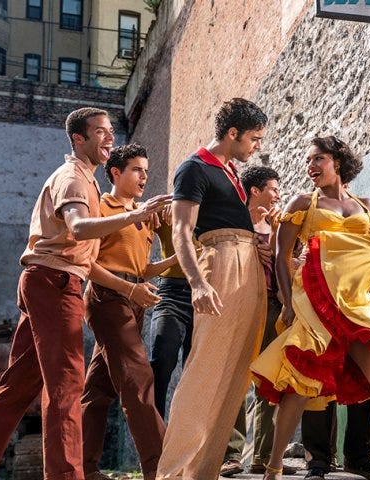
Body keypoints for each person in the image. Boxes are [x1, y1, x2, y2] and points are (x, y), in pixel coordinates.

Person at [0, 107, 169, 480]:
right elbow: (79, 227)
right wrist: (135, 217)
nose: (109, 138)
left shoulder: (85, 180)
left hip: (50, 281)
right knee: (66, 387)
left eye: (110, 132)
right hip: (56, 283)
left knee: (19, 386)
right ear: (78, 138)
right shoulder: (73, 179)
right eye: (101, 132)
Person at [249, 135, 370, 480]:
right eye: (309, 161)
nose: (311, 166)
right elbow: (282, 255)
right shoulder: (302, 202)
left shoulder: (366, 205)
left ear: (337, 163)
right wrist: (288, 303)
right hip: (315, 299)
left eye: (318, 159)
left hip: (357, 300)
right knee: (302, 382)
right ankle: (274, 466)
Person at [156, 98, 271, 480]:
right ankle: (173, 472)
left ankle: (201, 472)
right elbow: (181, 232)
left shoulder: (232, 172)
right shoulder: (194, 168)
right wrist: (198, 282)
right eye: (253, 138)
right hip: (219, 263)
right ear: (232, 133)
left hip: (248, 264)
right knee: (205, 369)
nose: (257, 146)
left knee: (236, 372)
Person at [81, 144, 178, 480]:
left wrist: (171, 263)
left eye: (146, 171)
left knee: (98, 390)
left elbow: (140, 268)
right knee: (139, 378)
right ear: (115, 173)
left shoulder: (144, 214)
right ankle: (161, 468)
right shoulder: (101, 208)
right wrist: (129, 290)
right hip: (107, 298)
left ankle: (84, 467)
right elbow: (88, 265)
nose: (144, 177)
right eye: (137, 170)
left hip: (133, 300)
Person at [219, 165, 299, 477]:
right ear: (255, 191)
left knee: (270, 380)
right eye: (274, 189)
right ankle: (229, 455)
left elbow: (291, 262)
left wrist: (281, 248)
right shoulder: (232, 223)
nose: (279, 195)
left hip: (272, 305)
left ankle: (265, 456)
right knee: (236, 381)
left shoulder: (280, 227)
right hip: (239, 305)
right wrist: (251, 248)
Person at [148, 212, 195, 418]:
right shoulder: (171, 209)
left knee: (195, 371)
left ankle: (186, 438)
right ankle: (154, 441)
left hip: (207, 292)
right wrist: (161, 204)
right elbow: (134, 211)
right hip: (171, 292)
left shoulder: (215, 205)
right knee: (162, 361)